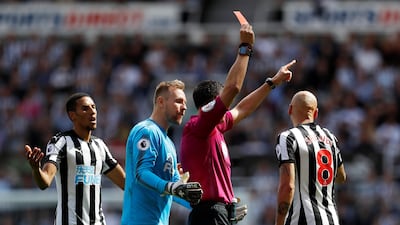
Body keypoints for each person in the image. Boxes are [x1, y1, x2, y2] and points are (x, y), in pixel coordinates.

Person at [179, 21, 296, 225]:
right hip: (208, 214)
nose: (226, 106)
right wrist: (245, 48)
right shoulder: (199, 125)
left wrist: (272, 83)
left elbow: (243, 108)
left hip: (218, 212)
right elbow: (233, 88)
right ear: (212, 103)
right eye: (221, 102)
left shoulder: (214, 127)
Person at [24, 92, 126, 225]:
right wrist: (36, 169)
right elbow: (45, 182)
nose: (92, 112)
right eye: (85, 108)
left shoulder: (100, 146)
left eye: (93, 107)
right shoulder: (60, 142)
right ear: (72, 115)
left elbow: (126, 183)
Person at [121, 79, 203, 225]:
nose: (184, 107)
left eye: (185, 103)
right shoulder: (147, 131)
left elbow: (176, 192)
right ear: (160, 102)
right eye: (178, 101)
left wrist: (215, 208)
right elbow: (141, 173)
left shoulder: (169, 143)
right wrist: (171, 187)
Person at [274, 90, 347, 225]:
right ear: (316, 113)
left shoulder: (288, 137)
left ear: (290, 110)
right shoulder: (330, 137)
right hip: (331, 219)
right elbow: (341, 177)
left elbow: (288, 186)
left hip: (302, 219)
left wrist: (279, 222)